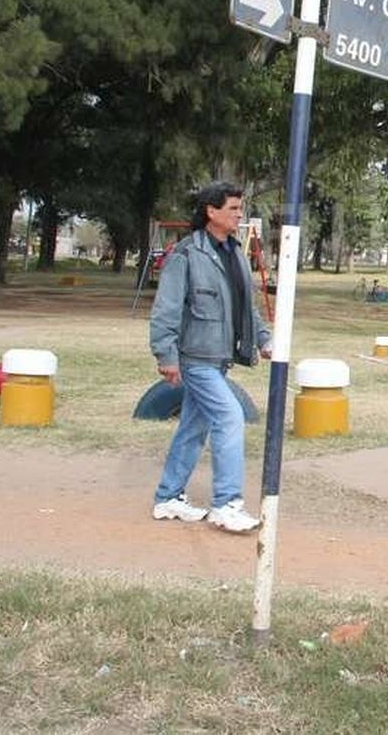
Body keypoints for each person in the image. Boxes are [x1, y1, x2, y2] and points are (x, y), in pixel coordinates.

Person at [150, 182, 273, 534]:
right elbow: (166, 310)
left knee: (193, 426)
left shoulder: (234, 252)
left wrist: (263, 338)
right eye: (233, 208)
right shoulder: (186, 254)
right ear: (211, 211)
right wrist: (166, 355)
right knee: (230, 417)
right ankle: (226, 503)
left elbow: (246, 306)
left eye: (239, 208)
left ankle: (168, 497)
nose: (239, 215)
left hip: (219, 358)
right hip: (195, 358)